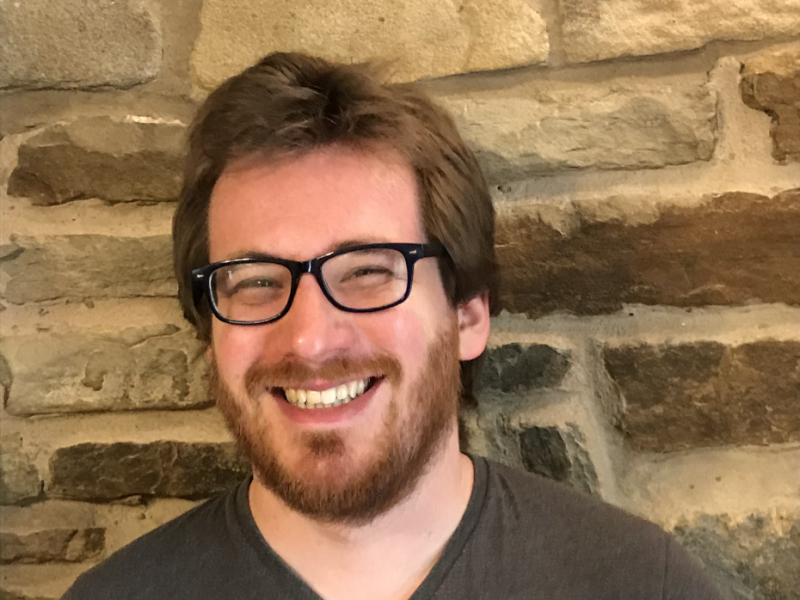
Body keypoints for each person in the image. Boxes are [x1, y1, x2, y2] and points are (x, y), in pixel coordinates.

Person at [62, 52, 726, 600]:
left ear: (468, 314)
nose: (311, 339)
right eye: (257, 281)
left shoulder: (639, 584)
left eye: (369, 272)